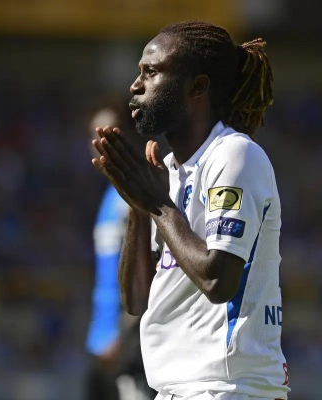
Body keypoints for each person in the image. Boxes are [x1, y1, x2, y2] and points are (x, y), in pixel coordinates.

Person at [90, 21, 289, 400]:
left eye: (151, 72)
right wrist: (138, 206)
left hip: (228, 388)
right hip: (176, 389)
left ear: (197, 86)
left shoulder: (234, 155)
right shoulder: (167, 172)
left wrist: (157, 204)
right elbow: (136, 301)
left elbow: (218, 281)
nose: (136, 85)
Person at [85, 107, 156, 400]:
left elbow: (149, 274)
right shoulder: (109, 198)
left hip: (127, 346)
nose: (100, 143)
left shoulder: (133, 199)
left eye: (109, 135)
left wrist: (123, 335)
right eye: (95, 135)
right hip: (102, 340)